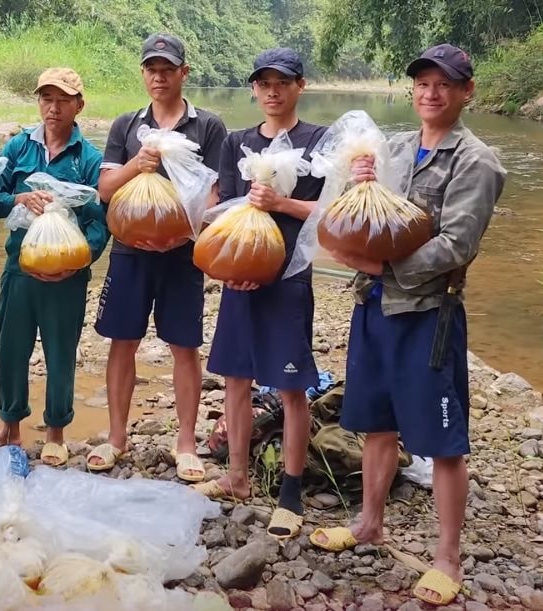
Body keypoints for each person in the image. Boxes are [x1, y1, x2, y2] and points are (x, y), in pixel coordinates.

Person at [308, 44, 506, 607]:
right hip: (374, 307)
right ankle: (370, 522)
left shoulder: (478, 161)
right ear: (413, 90)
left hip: (428, 315)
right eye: (422, 82)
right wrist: (357, 180)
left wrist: (382, 266)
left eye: (445, 84)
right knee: (375, 425)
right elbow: (361, 216)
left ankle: (447, 557)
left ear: (467, 92)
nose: (431, 92)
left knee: (443, 442)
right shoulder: (392, 148)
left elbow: (456, 243)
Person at [194, 49, 327, 541]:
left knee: (291, 387)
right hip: (240, 278)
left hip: (290, 276)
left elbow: (329, 211)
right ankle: (236, 476)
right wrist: (229, 268)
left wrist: (281, 202)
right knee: (235, 377)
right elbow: (225, 206)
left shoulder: (318, 142)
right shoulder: (237, 142)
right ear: (254, 88)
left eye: (282, 82)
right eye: (263, 82)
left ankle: (290, 494)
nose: (272, 90)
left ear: (299, 86)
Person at [90, 34, 227, 479]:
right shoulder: (127, 126)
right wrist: (138, 164)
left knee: (184, 346)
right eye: (152, 68)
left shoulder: (207, 127)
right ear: (143, 74)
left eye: (168, 69)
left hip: (183, 255)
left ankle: (186, 441)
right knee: (122, 342)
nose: (159, 76)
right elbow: (106, 190)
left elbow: (215, 196)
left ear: (184, 73)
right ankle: (116, 437)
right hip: (130, 253)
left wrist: (184, 235)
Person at [0, 68, 109, 466]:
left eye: (63, 100)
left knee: (60, 353)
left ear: (79, 105)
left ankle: (56, 432)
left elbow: (99, 222)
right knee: (11, 350)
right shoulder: (18, 146)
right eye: (46, 99)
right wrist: (18, 199)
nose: (54, 107)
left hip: (68, 277)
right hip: (19, 267)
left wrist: (81, 259)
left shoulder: (90, 158)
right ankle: (9, 428)